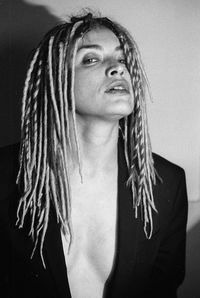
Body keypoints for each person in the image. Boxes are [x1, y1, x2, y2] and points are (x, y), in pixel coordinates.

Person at [0, 11, 188, 298]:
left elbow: (163, 288)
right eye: (91, 59)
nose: (118, 69)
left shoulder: (165, 183)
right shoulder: (4, 175)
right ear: (57, 80)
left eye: (123, 58)